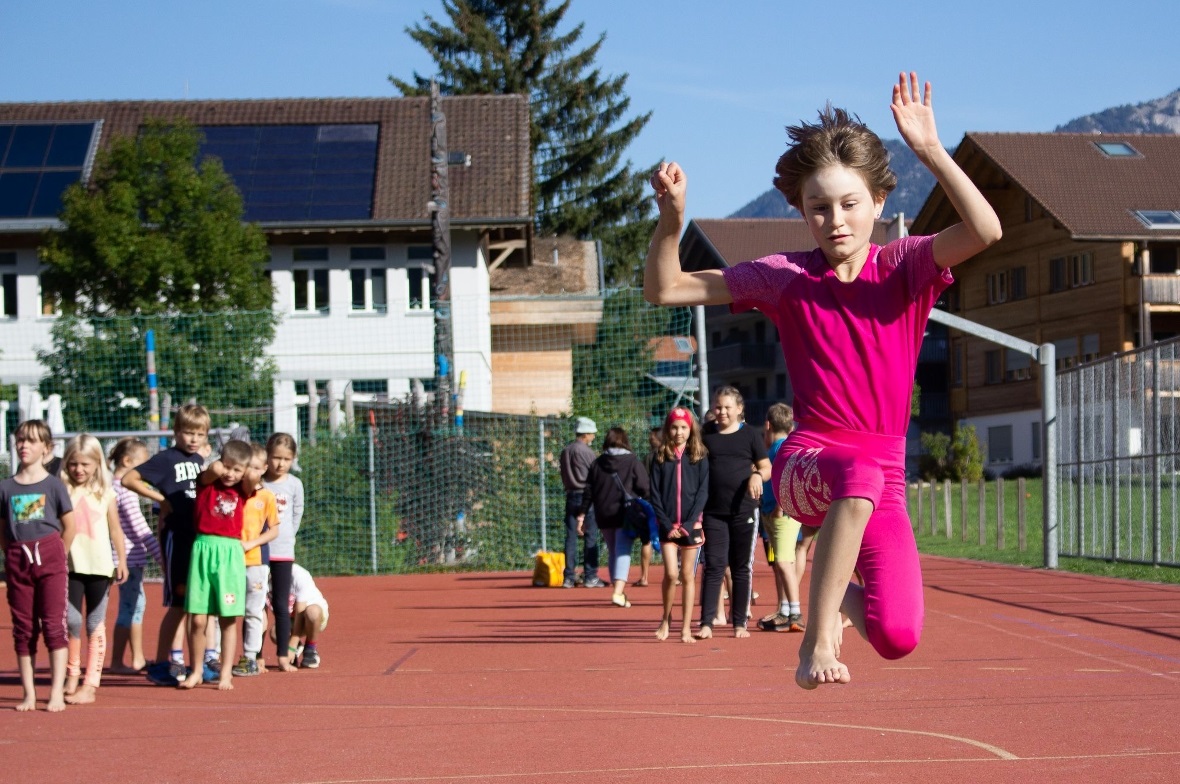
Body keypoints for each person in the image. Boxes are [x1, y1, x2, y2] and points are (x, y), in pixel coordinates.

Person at [644, 73, 1002, 688]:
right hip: (809, 461)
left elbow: (986, 231)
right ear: (799, 209)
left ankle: (836, 599)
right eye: (818, 207)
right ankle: (814, 638)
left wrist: (931, 151)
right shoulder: (785, 276)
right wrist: (672, 221)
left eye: (849, 204)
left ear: (879, 203)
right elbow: (667, 287)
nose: (834, 220)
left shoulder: (905, 265)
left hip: (883, 473)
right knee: (854, 475)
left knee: (898, 637)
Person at [122, 403, 210, 686]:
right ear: (176, 432)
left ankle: (199, 663)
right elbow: (128, 478)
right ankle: (161, 663)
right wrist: (161, 500)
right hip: (177, 538)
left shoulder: (199, 460)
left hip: (199, 538)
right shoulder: (165, 459)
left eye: (199, 433)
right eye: (188, 432)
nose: (193, 438)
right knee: (178, 603)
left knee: (198, 604)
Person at [1, 420, 75, 711]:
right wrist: (13, 553)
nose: (24, 446)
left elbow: (70, 526)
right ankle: (28, 693)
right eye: (21, 440)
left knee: (54, 625)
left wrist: (57, 552)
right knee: (23, 628)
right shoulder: (5, 487)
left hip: (50, 558)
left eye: (31, 441)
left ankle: (56, 691)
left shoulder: (54, 484)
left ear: (46, 448)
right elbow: (2, 528)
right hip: (18, 560)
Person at [691, 387, 770, 640]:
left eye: (727, 407)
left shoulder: (750, 435)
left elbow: (766, 466)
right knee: (713, 566)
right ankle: (706, 623)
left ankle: (739, 623)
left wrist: (758, 475)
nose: (722, 411)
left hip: (744, 509)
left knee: (740, 567)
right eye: (718, 406)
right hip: (713, 511)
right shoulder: (706, 435)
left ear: (739, 409)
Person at [178, 439, 253, 690]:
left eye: (237, 470)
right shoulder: (207, 482)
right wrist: (221, 464)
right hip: (203, 548)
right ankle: (196, 669)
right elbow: (210, 472)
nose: (230, 474)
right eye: (228, 467)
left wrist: (248, 469)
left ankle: (226, 674)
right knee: (198, 619)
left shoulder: (243, 489)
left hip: (230, 552)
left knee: (228, 618)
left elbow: (252, 480)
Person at [59, 435, 128, 705]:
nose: (79, 470)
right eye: (74, 464)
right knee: (72, 621)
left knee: (93, 623)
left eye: (85, 464)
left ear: (97, 463)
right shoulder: (62, 490)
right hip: (70, 566)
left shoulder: (106, 492)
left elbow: (115, 529)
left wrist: (121, 559)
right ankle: (72, 674)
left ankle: (91, 684)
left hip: (100, 567)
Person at [648, 407, 708, 643]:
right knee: (671, 574)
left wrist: (690, 523)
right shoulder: (659, 456)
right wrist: (666, 523)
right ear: (667, 429)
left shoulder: (700, 455)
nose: (679, 432)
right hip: (667, 526)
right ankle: (666, 618)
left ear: (690, 429)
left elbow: (703, 492)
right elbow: (654, 494)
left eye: (683, 427)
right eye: (674, 427)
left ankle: (685, 628)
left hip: (691, 526)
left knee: (688, 575)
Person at [577, 427, 650, 608]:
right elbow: (644, 487)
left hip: (603, 513)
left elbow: (588, 490)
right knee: (623, 550)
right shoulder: (632, 460)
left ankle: (619, 590)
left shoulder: (597, 463)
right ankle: (618, 591)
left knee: (613, 550)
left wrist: (582, 514)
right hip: (626, 513)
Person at [108, 437, 164, 674]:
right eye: (141, 464)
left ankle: (136, 657)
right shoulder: (125, 491)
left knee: (135, 604)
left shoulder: (111, 487)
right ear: (127, 461)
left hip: (123, 558)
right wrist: (162, 558)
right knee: (132, 607)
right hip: (128, 559)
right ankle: (122, 660)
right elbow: (140, 529)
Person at [757, 404, 806, 633]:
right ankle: (785, 610)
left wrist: (780, 505)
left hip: (781, 512)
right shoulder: (781, 446)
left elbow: (787, 477)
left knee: (784, 561)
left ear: (768, 425)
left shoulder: (780, 447)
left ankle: (795, 612)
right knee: (783, 561)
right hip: (775, 509)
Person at [233, 443, 279, 677]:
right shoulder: (233, 493)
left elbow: (273, 530)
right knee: (227, 609)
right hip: (231, 561)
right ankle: (217, 658)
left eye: (255, 467)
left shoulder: (267, 497)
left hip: (256, 562)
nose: (250, 472)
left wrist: (252, 543)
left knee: (253, 610)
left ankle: (250, 656)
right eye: (246, 467)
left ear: (263, 468)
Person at [263, 432, 304, 672]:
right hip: (258, 551)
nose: (280, 464)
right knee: (256, 604)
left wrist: (288, 536)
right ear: (267, 456)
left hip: (283, 550)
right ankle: (254, 655)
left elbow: (296, 513)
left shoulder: (294, 484)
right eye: (276, 457)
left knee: (281, 604)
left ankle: (282, 656)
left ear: (293, 459)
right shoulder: (259, 481)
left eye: (286, 459)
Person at [559, 417, 603, 589]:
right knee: (591, 535)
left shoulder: (566, 450)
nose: (593, 436)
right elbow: (595, 475)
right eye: (592, 433)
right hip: (587, 496)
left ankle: (569, 577)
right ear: (585, 433)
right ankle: (590, 575)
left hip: (571, 495)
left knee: (570, 537)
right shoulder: (586, 452)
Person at [287, 563, 329, 669]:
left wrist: (291, 645)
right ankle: (296, 649)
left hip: (312, 617)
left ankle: (310, 649)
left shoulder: (299, 574)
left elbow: (300, 612)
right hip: (292, 618)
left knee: (312, 612)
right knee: (274, 633)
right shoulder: (264, 575)